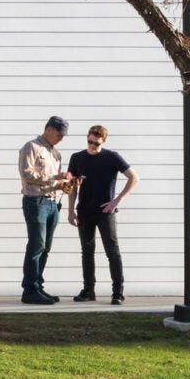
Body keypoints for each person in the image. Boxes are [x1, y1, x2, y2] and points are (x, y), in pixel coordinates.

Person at [66, 124, 137, 305]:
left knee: (112, 251)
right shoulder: (77, 158)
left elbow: (134, 178)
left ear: (103, 142)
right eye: (89, 142)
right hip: (84, 212)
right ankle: (88, 291)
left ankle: (117, 293)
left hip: (105, 212)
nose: (92, 146)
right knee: (87, 252)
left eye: (96, 143)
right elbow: (72, 187)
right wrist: (70, 210)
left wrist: (117, 200)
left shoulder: (112, 157)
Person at [18, 115, 70, 305]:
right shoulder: (31, 147)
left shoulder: (56, 153)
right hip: (35, 201)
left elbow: (56, 182)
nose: (61, 138)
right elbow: (26, 173)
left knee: (45, 247)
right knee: (36, 245)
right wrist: (55, 177)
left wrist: (66, 184)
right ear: (48, 129)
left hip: (52, 203)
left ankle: (38, 287)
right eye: (59, 134)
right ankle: (30, 290)